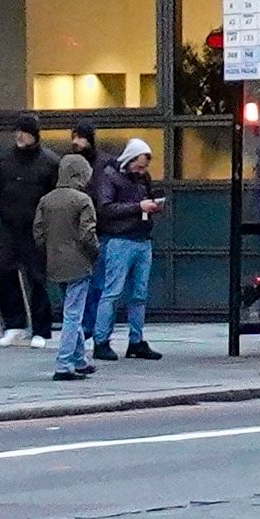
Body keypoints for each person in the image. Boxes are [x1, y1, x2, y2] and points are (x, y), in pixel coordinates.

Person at [35, 130, 107, 375]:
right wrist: (95, 253)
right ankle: (65, 363)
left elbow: (38, 233)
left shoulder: (46, 200)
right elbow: (88, 234)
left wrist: (50, 251)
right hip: (79, 263)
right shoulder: (83, 200)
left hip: (55, 262)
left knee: (70, 308)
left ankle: (79, 359)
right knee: (73, 314)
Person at [0, 115, 55, 343]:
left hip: (36, 229)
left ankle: (41, 330)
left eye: (25, 131)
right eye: (17, 131)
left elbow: (55, 196)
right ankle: (14, 324)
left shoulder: (49, 163)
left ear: (34, 135)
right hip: (9, 226)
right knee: (4, 274)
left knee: (38, 279)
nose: (19, 136)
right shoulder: (3, 161)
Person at [93, 136, 164, 359]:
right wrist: (139, 207)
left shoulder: (142, 179)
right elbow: (105, 208)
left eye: (144, 167)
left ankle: (136, 340)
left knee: (139, 294)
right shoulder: (109, 177)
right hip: (119, 240)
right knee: (112, 292)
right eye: (139, 166)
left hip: (141, 239)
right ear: (130, 159)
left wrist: (152, 206)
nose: (142, 171)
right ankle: (101, 341)